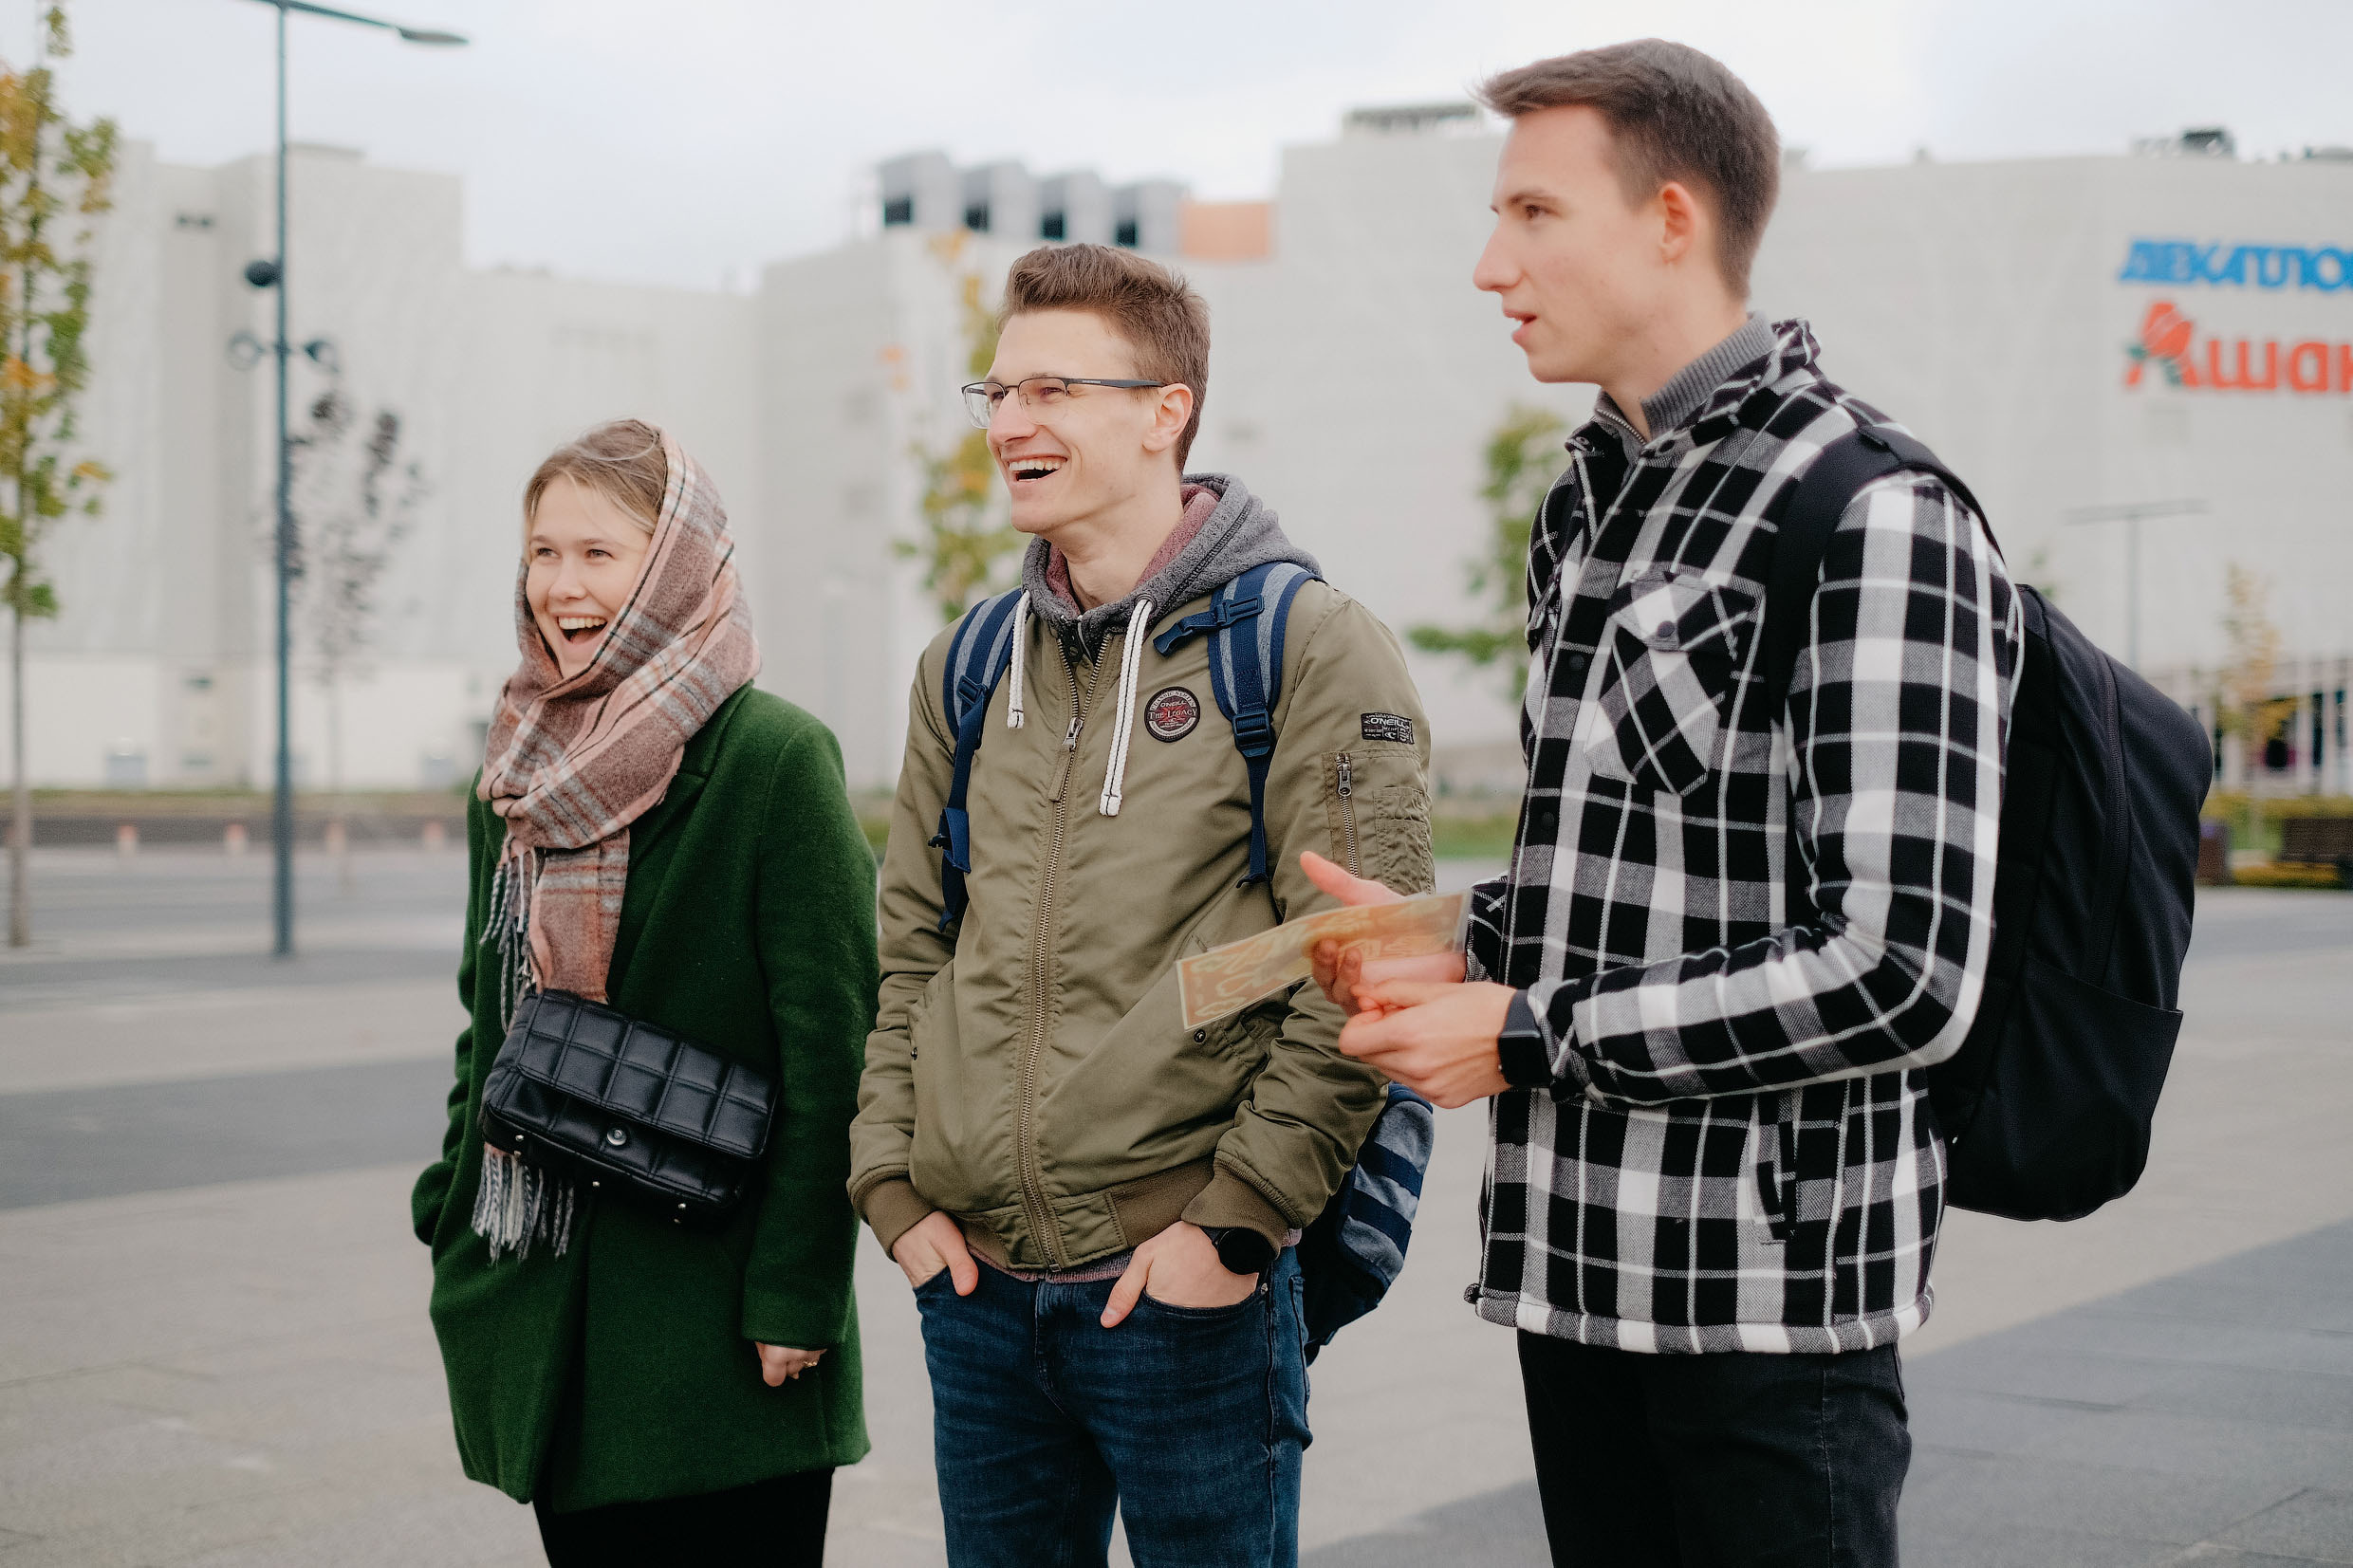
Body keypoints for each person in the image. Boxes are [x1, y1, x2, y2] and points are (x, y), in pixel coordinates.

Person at [1305, 41, 2022, 1568]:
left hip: (1768, 1315)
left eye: (1535, 214)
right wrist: (1462, 938)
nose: (1492, 264)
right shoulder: (1587, 497)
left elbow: (1904, 972)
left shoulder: (1874, 508)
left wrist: (1518, 1030)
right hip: (1571, 1274)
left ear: (1673, 219)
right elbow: (1642, 866)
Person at [850, 242, 1436, 1568]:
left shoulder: (1304, 644)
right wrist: (891, 1184)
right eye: (994, 393)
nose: (1011, 423)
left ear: (1165, 409)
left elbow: (1363, 959)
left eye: (1052, 389)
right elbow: (912, 953)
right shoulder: (969, 665)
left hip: (1184, 1293)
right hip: (977, 1294)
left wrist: (1235, 1224)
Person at [410, 420, 876, 1566]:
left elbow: (840, 1055)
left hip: (717, 1321)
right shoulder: (516, 769)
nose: (561, 587)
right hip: (544, 1302)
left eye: (598, 554)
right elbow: (493, 1013)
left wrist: (795, 1297)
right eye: (541, 552)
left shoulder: (772, 758)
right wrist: (452, 1199)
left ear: (674, 563)